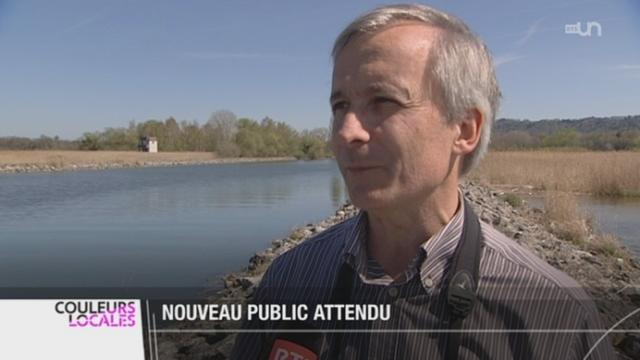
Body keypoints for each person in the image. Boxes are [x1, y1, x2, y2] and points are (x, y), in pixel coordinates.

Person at [231, 4, 615, 359]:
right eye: (340, 106)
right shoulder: (290, 278)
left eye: (383, 101)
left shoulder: (554, 316)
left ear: (464, 129)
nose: (346, 131)